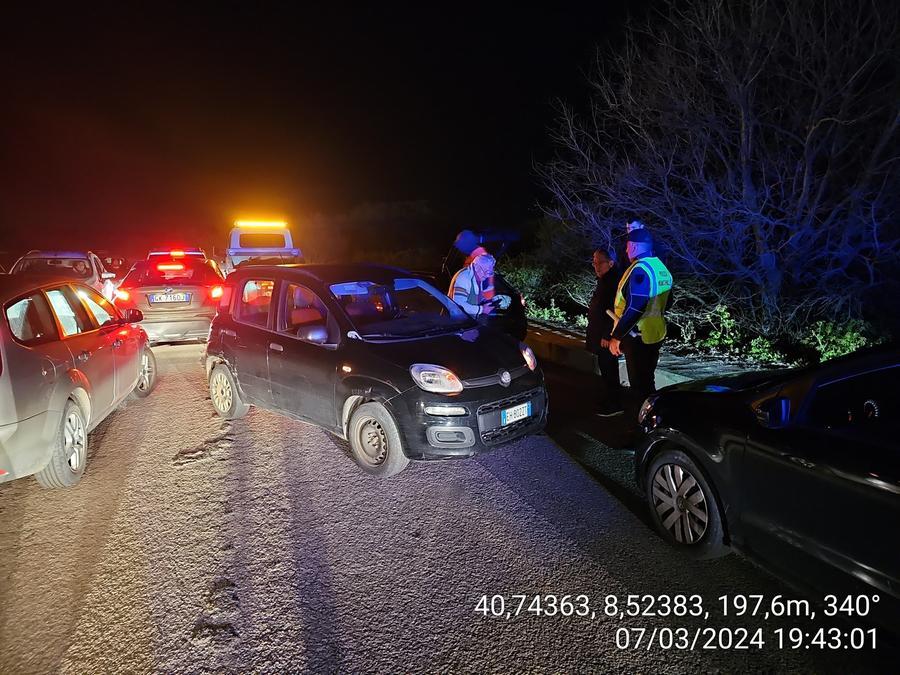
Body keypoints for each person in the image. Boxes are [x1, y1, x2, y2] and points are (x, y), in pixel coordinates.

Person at [609, 222, 673, 421]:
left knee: (638, 388)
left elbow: (635, 309)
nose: (626, 250)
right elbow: (667, 303)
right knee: (647, 382)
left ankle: (639, 432)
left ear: (634, 246)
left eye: (627, 246)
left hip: (638, 336)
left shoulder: (639, 270)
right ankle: (654, 421)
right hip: (656, 333)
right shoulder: (661, 268)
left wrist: (616, 337)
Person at [585, 247, 624, 415]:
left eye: (600, 262)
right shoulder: (604, 280)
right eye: (594, 262)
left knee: (609, 368)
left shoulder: (613, 281)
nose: (596, 266)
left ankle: (615, 403)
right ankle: (610, 399)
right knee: (605, 368)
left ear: (611, 263)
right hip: (600, 333)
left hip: (606, 336)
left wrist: (608, 335)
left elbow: (613, 309)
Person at [449, 252, 510, 319]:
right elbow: (458, 304)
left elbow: (476, 298)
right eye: (487, 272)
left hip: (468, 321)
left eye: (490, 272)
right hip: (458, 323)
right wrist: (482, 310)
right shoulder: (464, 278)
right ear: (477, 267)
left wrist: (491, 301)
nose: (487, 276)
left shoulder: (478, 277)